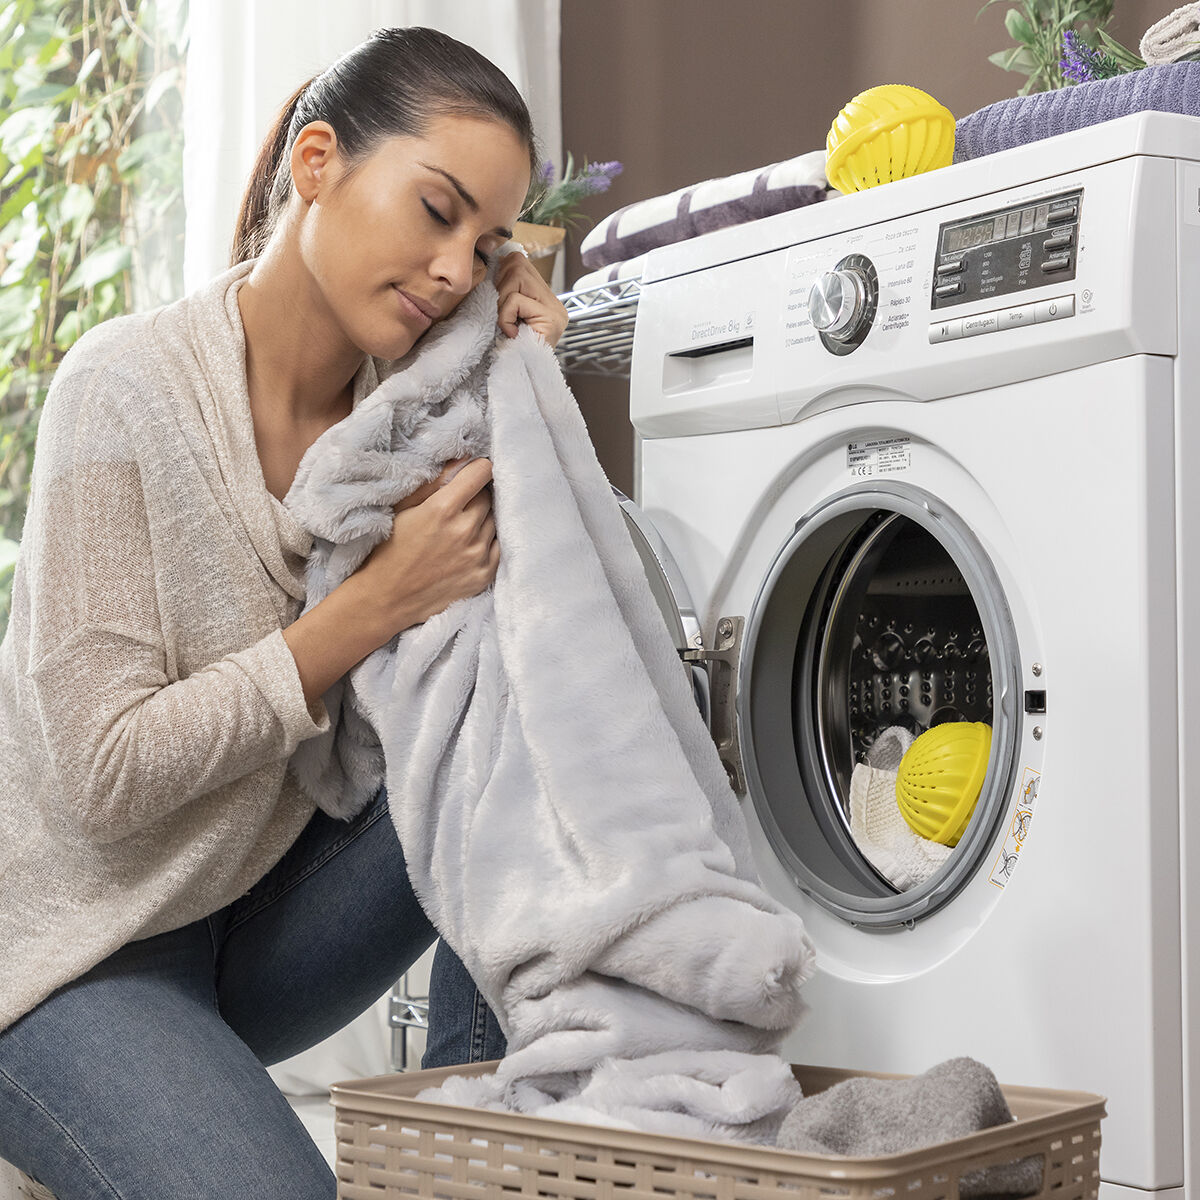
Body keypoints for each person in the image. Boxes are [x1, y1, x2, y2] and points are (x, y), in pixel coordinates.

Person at [0, 26, 568, 1199]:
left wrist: (521, 370)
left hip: (256, 924)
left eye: (485, 245)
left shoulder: (411, 410)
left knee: (536, 698)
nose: (453, 268)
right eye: (436, 210)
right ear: (317, 163)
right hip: (67, 953)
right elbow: (103, 775)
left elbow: (546, 623)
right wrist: (371, 605)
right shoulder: (122, 389)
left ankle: (483, 1158)